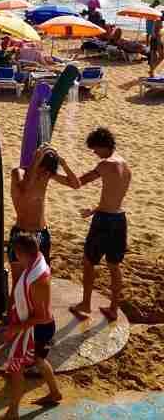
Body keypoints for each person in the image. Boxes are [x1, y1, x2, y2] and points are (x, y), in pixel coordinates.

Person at [69, 128, 131, 322]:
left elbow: (78, 183)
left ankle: (85, 305)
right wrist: (93, 209)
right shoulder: (125, 165)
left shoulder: (105, 165)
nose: (95, 153)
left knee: (88, 263)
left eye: (95, 150)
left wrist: (57, 169)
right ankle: (113, 308)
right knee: (114, 265)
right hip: (119, 219)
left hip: (104, 221)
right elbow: (113, 200)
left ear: (103, 146)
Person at [4, 234, 62, 419]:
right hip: (37, 328)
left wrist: (17, 328)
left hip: (39, 329)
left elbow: (43, 316)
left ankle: (13, 411)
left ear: (20, 253)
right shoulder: (36, 265)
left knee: (17, 367)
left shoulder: (37, 280)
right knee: (39, 361)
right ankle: (55, 393)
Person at [8, 146, 79, 289]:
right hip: (22, 233)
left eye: (48, 172)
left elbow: (75, 184)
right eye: (42, 169)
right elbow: (24, 188)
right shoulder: (18, 173)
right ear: (36, 162)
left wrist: (63, 164)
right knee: (18, 283)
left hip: (41, 234)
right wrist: (36, 160)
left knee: (41, 282)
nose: (44, 174)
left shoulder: (46, 174)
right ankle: (13, 311)